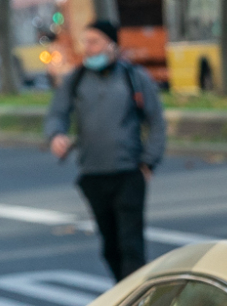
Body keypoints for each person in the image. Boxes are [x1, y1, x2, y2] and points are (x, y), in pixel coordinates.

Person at [44, 19, 166, 281]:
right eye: (86, 41)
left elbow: (156, 122)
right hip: (93, 175)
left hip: (128, 173)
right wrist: (56, 135)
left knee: (131, 244)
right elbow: (57, 114)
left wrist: (148, 162)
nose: (88, 47)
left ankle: (134, 302)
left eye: (94, 41)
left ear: (112, 45)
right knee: (110, 247)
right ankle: (123, 297)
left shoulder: (134, 78)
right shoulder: (75, 80)